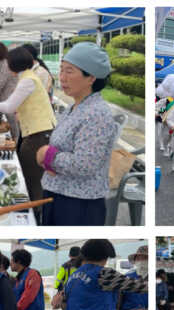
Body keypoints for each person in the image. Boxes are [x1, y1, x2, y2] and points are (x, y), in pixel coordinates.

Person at [35, 42, 118, 226]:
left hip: (77, 205)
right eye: (62, 70)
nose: (62, 77)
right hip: (59, 195)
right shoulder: (76, 106)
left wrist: (46, 154)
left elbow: (84, 164)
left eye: (70, 71)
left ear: (91, 78)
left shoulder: (96, 114)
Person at [0, 47, 57, 222]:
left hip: (40, 133)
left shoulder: (27, 80)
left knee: (31, 176)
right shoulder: (26, 77)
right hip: (36, 131)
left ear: (13, 64)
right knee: (28, 171)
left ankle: (35, 216)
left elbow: (10, 107)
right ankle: (34, 212)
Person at [155, 74, 174, 158]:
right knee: (166, 136)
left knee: (173, 137)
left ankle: (170, 148)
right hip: (166, 121)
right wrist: (161, 112)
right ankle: (165, 147)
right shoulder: (167, 99)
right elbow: (156, 107)